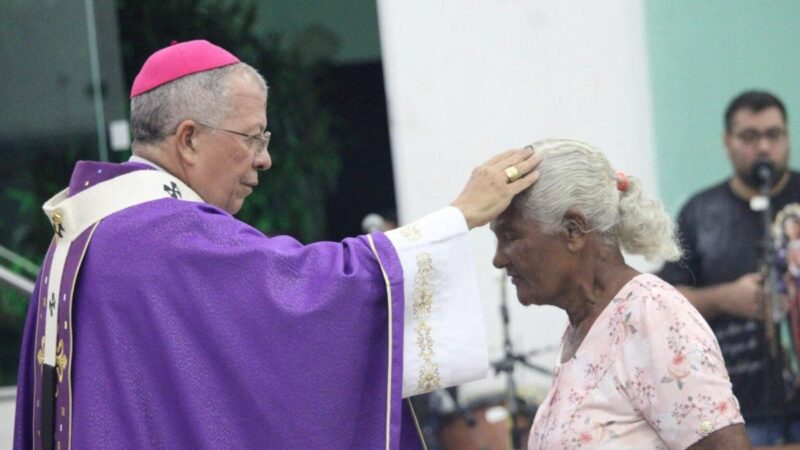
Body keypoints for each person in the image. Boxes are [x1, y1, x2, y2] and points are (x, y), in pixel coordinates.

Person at [13, 40, 542, 449]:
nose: (264, 159)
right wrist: (458, 216)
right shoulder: (168, 236)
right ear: (190, 138)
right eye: (253, 137)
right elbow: (311, 292)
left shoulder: (93, 228)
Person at [492, 139, 749, 449]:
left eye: (510, 236)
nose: (499, 259)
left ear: (573, 231)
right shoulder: (585, 326)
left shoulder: (651, 314)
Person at [658, 90, 800, 445]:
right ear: (727, 142)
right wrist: (725, 298)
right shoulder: (701, 212)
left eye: (774, 134)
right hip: (738, 405)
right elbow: (663, 299)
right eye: (750, 136)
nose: (764, 147)